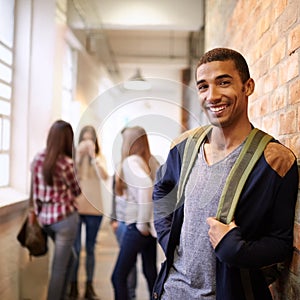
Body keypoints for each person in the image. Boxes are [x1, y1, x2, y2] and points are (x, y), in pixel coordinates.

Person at [152, 48, 299, 300]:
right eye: (203, 87)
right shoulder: (184, 148)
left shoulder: (276, 160)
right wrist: (168, 238)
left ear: (248, 86)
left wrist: (236, 249)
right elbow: (161, 189)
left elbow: (280, 243)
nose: (213, 96)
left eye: (223, 82)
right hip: (171, 292)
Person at [31, 120, 81, 300]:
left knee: (71, 259)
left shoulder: (37, 158)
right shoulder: (67, 163)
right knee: (59, 269)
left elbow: (35, 190)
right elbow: (77, 191)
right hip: (64, 219)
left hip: (45, 219)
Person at [111, 126, 160, 300]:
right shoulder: (149, 160)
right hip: (150, 229)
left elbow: (146, 187)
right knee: (151, 274)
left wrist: (141, 224)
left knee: (118, 277)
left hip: (137, 228)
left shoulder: (130, 161)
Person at [69, 125, 108, 300]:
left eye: (90, 139)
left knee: (91, 248)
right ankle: (73, 286)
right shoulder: (73, 157)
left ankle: (89, 286)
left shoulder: (99, 157)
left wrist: (93, 157)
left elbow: (105, 176)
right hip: (76, 207)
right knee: (76, 249)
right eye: (84, 139)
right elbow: (70, 174)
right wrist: (78, 156)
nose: (87, 142)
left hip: (94, 208)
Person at [110, 170, 138, 300]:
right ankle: (129, 295)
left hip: (136, 223)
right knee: (128, 264)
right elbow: (113, 196)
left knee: (133, 265)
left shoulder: (140, 170)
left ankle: (131, 295)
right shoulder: (118, 170)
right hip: (121, 222)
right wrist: (113, 219)